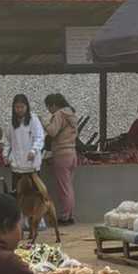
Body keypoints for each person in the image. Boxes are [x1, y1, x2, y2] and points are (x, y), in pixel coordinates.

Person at [43, 92, 79, 225]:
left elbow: (53, 131)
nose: (49, 110)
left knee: (64, 188)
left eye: (48, 107)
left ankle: (64, 217)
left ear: (53, 105)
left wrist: (45, 122)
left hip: (62, 154)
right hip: (72, 153)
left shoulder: (59, 114)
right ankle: (69, 215)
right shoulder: (71, 114)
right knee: (69, 186)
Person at [6, 93, 47, 207]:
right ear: (13, 108)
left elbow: (39, 137)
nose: (19, 110)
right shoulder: (11, 122)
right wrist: (6, 155)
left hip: (31, 165)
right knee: (18, 194)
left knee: (35, 193)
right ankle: (19, 220)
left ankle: (37, 218)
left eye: (22, 107)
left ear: (27, 107)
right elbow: (8, 141)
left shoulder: (33, 119)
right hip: (17, 165)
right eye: (17, 107)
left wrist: (33, 150)